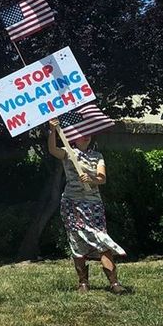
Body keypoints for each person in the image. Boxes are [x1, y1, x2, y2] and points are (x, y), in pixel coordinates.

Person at [48, 119, 126, 293]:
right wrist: (52, 131)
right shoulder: (68, 153)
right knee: (76, 240)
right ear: (74, 138)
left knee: (101, 239)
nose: (85, 137)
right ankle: (83, 282)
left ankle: (114, 282)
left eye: (88, 134)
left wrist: (92, 180)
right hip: (72, 203)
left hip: (93, 204)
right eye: (81, 134)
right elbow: (53, 150)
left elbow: (102, 178)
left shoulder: (97, 156)